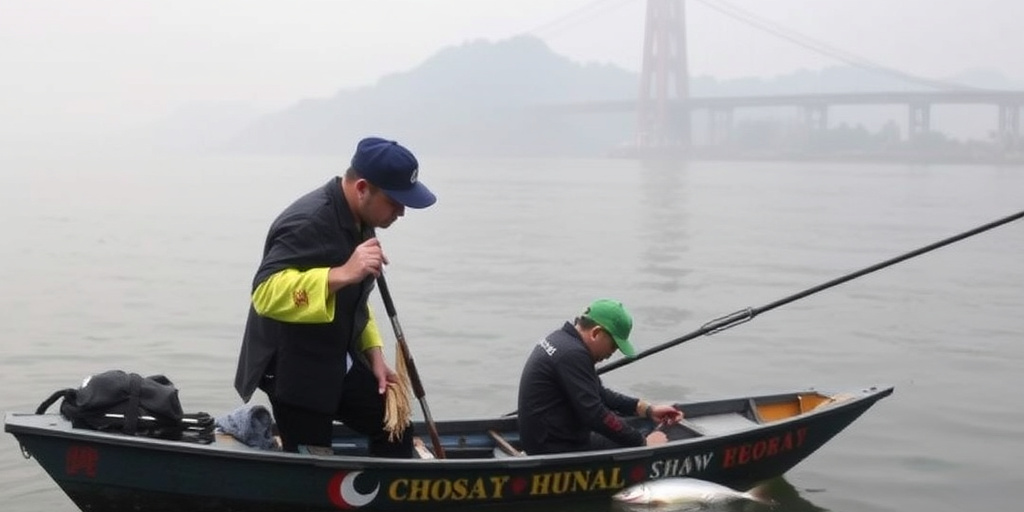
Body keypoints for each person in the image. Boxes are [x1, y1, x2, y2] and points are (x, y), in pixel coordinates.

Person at [234, 136, 436, 457]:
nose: (401, 211)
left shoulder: (362, 219)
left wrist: (374, 354)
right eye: (395, 200)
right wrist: (340, 273)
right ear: (362, 188)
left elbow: (354, 300)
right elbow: (265, 294)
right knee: (314, 464)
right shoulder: (308, 222)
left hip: (337, 358)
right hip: (294, 370)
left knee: (395, 427)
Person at [517, 299, 683, 455]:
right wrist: (643, 443)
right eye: (613, 345)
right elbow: (595, 414)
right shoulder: (573, 354)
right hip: (553, 448)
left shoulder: (560, 340)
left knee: (623, 429)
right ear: (596, 333)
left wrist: (647, 409)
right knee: (642, 437)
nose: (611, 353)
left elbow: (599, 393)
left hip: (540, 438)